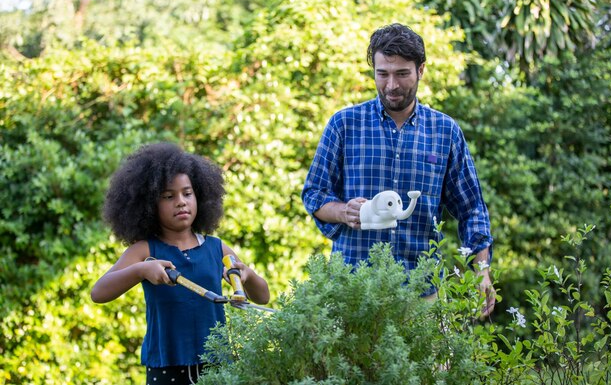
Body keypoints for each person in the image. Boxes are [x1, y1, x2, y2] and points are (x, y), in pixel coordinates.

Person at [301, 23, 495, 316]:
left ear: (421, 70)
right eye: (383, 74)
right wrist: (344, 212)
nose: (391, 85)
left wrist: (481, 271)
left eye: (402, 74)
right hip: (353, 292)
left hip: (422, 294)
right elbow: (314, 195)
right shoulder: (343, 124)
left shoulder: (445, 131)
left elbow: (472, 209)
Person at [91, 142, 270, 384]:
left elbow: (263, 297)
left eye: (187, 193)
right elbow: (99, 292)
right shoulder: (144, 250)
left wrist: (246, 275)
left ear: (200, 196)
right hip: (166, 366)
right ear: (149, 205)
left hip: (217, 363)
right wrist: (141, 270)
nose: (181, 202)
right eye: (168, 196)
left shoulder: (216, 248)